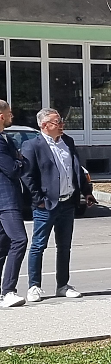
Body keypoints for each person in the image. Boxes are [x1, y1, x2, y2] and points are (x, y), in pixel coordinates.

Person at [21, 108, 96, 301]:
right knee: (38, 246)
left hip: (67, 203)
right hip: (46, 205)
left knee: (64, 247)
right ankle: (34, 286)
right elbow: (28, 177)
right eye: (57, 122)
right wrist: (39, 200)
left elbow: (76, 169)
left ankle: (62, 285)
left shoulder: (67, 142)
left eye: (61, 121)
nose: (62, 124)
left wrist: (86, 191)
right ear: (44, 125)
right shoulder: (32, 145)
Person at [0, 101, 28, 308]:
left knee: (3, 245)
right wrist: (20, 161)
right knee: (19, 240)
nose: (12, 116)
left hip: (7, 198)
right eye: (10, 113)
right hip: (5, 199)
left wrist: (18, 160)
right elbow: (12, 169)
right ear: (1, 116)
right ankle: (8, 291)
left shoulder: (6, 138)